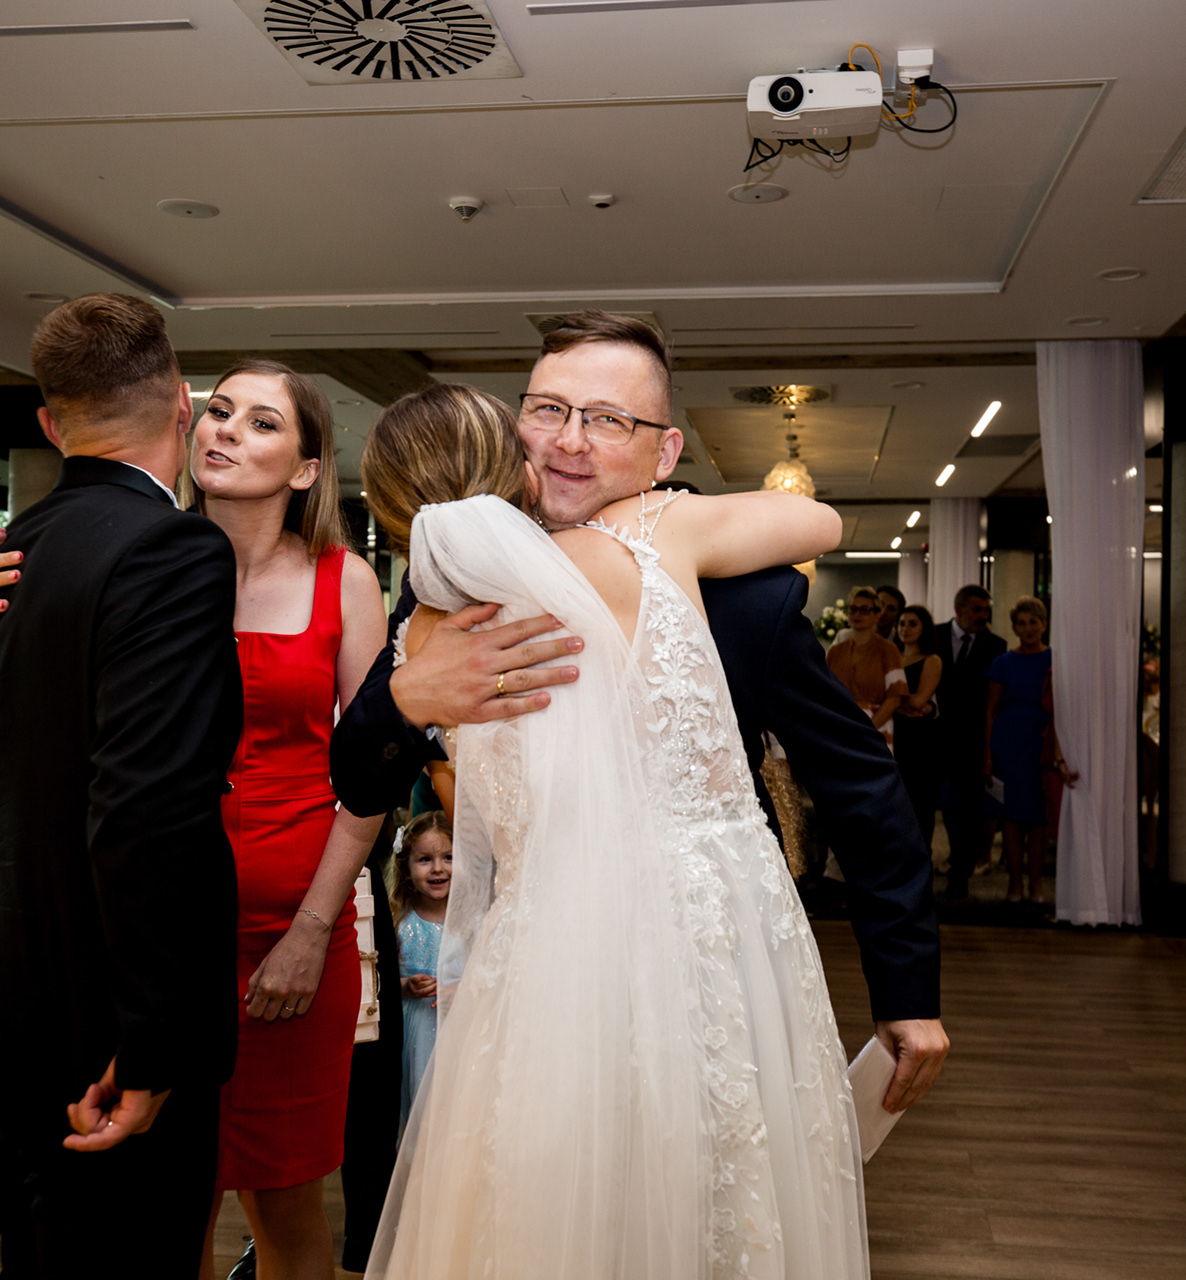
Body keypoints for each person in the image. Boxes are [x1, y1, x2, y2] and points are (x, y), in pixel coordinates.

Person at [331, 311, 945, 1128]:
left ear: (664, 455)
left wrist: (907, 991)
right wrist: (411, 697)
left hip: (709, 981)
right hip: (538, 987)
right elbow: (356, 773)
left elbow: (858, 782)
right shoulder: (442, 592)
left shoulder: (738, 589)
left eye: (608, 420)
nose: (569, 441)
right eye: (549, 410)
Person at [356, 378, 859, 1277]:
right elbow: (817, 522)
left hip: (539, 953)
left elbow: (449, 795)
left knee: (543, 1201)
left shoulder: (422, 645)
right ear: (517, 466)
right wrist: (652, 503)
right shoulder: (643, 542)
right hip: (706, 924)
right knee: (722, 1179)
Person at [0, 356, 388, 1280]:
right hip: (152, 939)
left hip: (294, 933)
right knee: (172, 1209)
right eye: (220, 410)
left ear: (306, 468)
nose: (227, 430)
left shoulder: (346, 582)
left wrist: (310, 931)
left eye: (262, 423)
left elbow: (368, 774)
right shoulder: (138, 556)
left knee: (289, 1207)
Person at [0, 294, 244, 1277]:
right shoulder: (172, 547)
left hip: (2, 1002)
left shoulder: (4, 552)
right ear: (182, 402)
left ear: (52, 423)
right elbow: (147, 807)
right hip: (98, 1032)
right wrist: (151, 1044)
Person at [983, 596, 1076, 905]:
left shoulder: (1056, 660)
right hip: (1008, 743)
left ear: (1044, 624)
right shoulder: (1002, 663)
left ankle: (1036, 883)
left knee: (1039, 816)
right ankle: (1014, 882)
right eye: (1021, 623)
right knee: (1010, 816)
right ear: (1014, 628)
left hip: (1042, 742)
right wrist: (987, 753)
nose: (1028, 628)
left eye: (1033, 622)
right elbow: (990, 711)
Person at [926, 584, 1005, 899]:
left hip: (971, 740)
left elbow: (993, 700)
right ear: (959, 609)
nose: (983, 616)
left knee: (967, 810)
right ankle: (922, 874)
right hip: (933, 736)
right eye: (977, 609)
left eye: (986, 610)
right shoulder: (934, 635)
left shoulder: (996, 645)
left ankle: (961, 875)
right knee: (928, 806)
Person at [387, 811, 451, 1133]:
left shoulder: (472, 921)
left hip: (459, 1030)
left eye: (449, 857)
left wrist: (462, 987)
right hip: (414, 1034)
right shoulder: (399, 920)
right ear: (406, 868)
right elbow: (381, 982)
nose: (438, 868)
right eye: (425, 859)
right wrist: (405, 986)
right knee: (421, 1113)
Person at [890, 605, 944, 854]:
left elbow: (919, 701)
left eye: (913, 624)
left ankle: (922, 865)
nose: (905, 629)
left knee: (919, 807)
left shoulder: (931, 660)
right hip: (894, 735)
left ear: (924, 628)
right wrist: (898, 704)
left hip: (920, 741)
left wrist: (891, 703)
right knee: (895, 805)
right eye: (902, 623)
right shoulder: (891, 656)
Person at [828, 586, 906, 743]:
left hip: (874, 729)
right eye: (853, 609)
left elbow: (895, 697)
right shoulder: (835, 651)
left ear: (876, 615)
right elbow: (825, 691)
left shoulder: (888, 650)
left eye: (865, 610)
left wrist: (866, 729)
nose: (857, 614)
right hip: (838, 726)